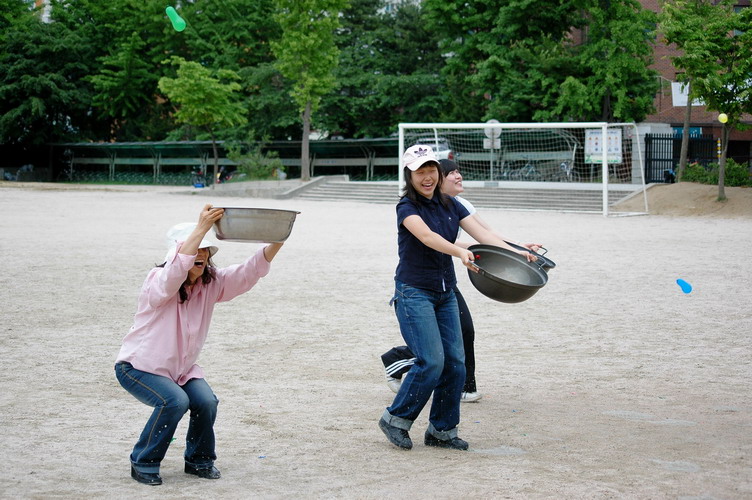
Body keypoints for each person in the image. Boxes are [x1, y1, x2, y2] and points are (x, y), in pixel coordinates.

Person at [378, 146, 538, 452]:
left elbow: (484, 235)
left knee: (456, 363)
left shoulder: (451, 204)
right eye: (420, 171)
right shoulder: (406, 208)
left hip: (445, 292)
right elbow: (429, 238)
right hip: (414, 292)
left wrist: (517, 250)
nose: (427, 177)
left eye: (431, 170)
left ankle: (442, 430)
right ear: (409, 176)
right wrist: (458, 252)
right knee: (431, 362)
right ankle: (395, 419)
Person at [115, 204, 284, 486]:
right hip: (138, 367)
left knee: (206, 401)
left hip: (180, 371)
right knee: (174, 401)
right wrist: (203, 226)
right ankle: (143, 461)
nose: (202, 255)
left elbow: (248, 271)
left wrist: (278, 238)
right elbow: (174, 272)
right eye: (196, 250)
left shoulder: (211, 283)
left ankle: (199, 460)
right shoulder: (158, 281)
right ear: (177, 254)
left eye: (206, 251)